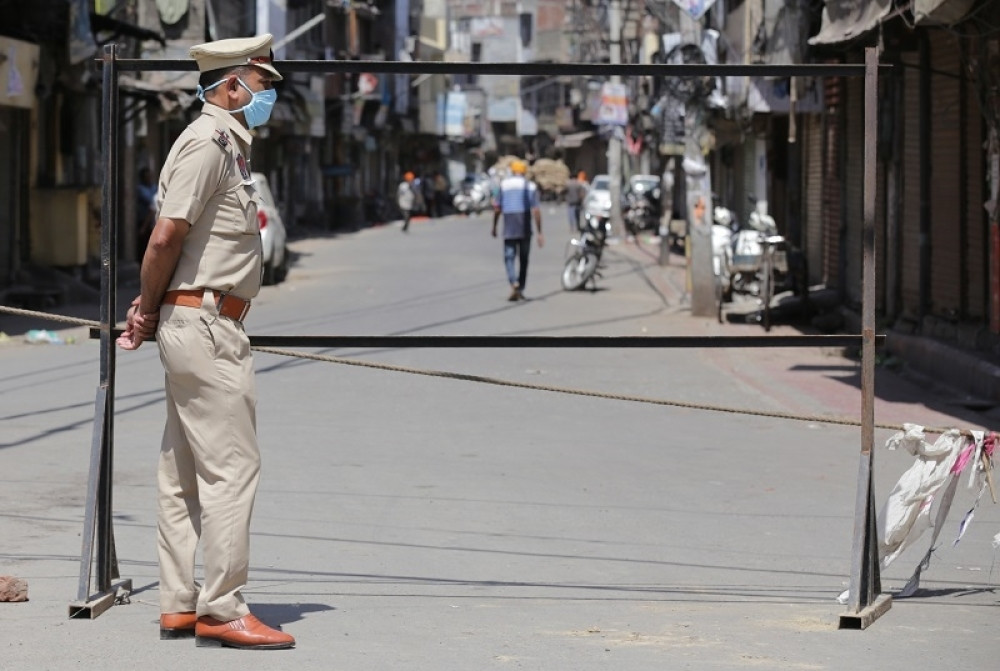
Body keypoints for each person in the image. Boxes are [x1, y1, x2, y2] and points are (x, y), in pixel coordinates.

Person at [115, 34, 295, 651]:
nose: (266, 95)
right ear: (232, 83)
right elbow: (165, 238)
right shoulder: (208, 142)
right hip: (207, 325)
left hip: (198, 319)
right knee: (232, 469)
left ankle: (179, 604)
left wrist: (150, 308)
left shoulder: (227, 145)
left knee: (184, 471)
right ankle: (222, 607)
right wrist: (145, 308)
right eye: (261, 84)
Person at [491, 159, 544, 301]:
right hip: (525, 226)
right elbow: (536, 211)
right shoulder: (531, 186)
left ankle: (513, 282)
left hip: (509, 225)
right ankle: (520, 287)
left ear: (513, 171)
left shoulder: (504, 185)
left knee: (509, 256)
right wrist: (540, 232)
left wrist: (494, 226)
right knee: (524, 259)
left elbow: (497, 208)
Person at [136, 166, 158, 258]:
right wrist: (144, 227)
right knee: (144, 246)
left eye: (150, 176)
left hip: (153, 222)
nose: (149, 178)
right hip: (144, 220)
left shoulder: (154, 188)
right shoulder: (140, 189)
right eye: (147, 176)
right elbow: (151, 203)